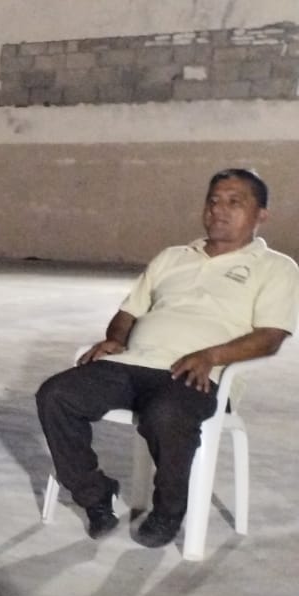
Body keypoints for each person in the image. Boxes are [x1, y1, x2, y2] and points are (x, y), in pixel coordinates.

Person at [36, 169, 298, 547]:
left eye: (234, 202)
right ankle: (95, 496)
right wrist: (115, 339)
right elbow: (129, 311)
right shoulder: (173, 257)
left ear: (261, 215)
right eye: (213, 201)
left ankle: (168, 511)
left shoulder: (276, 267)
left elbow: (270, 337)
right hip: (132, 363)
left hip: (198, 374)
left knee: (167, 414)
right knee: (56, 395)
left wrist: (212, 355)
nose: (219, 210)